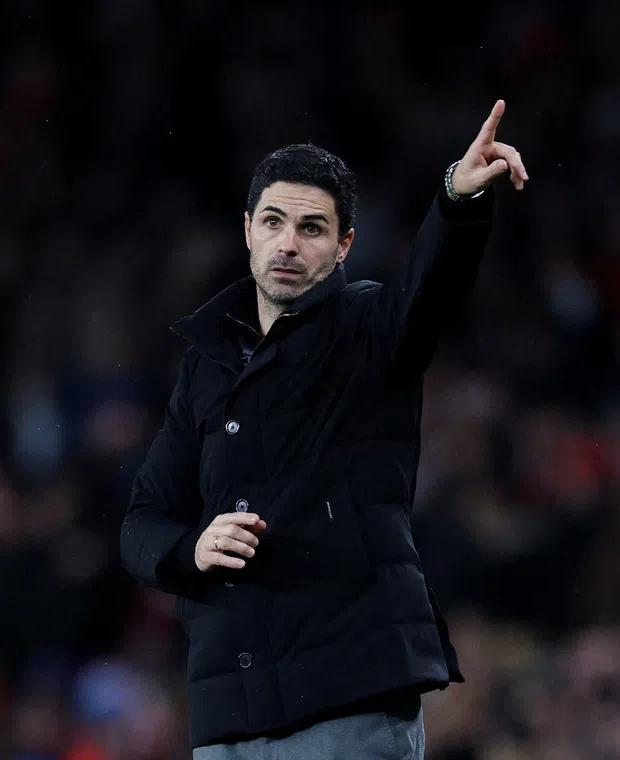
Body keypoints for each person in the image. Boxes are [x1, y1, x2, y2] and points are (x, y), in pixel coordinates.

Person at [121, 100, 528, 759]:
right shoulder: (205, 365)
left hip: (348, 703)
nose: (288, 242)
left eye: (312, 228)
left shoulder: (369, 326)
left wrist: (455, 198)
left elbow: (431, 288)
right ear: (248, 228)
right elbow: (142, 523)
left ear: (343, 247)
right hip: (229, 721)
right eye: (275, 222)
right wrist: (191, 548)